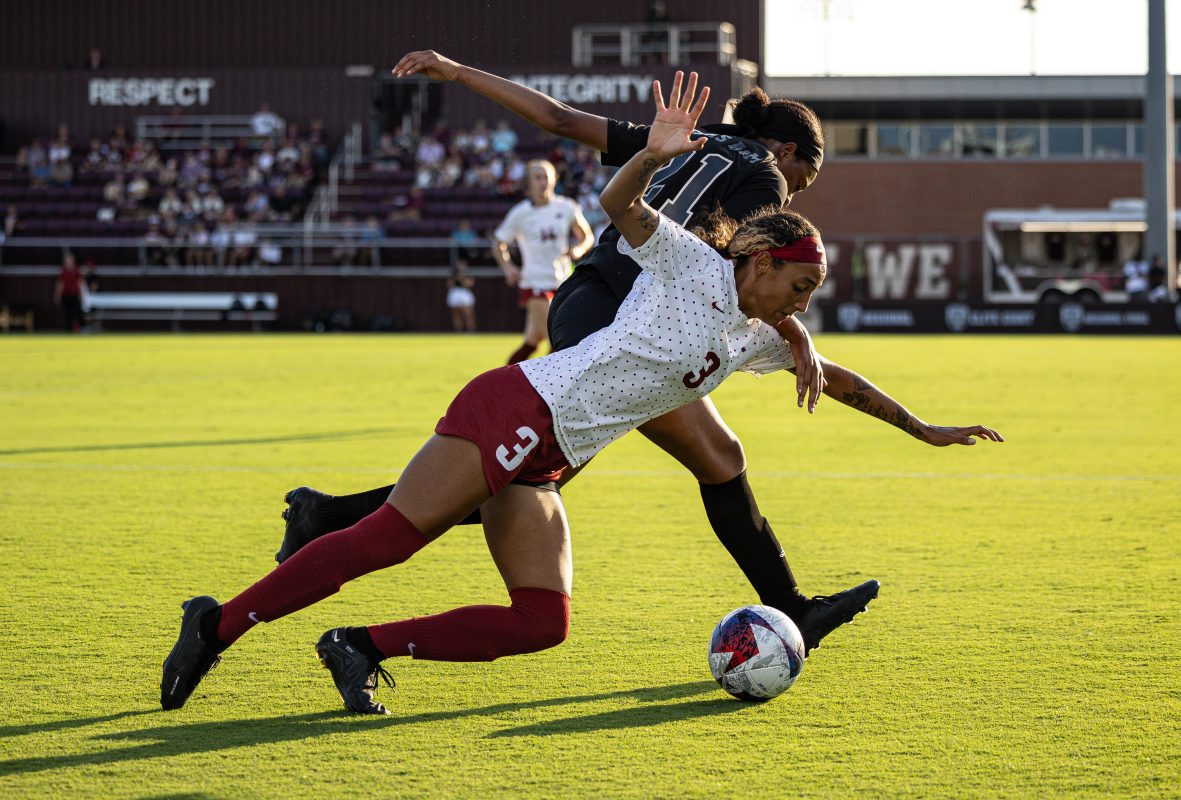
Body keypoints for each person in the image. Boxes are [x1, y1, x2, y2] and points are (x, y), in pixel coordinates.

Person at [161, 77, 1001, 716]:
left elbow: (839, 379)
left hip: (551, 454)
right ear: (759, 258)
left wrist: (919, 425)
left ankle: (357, 645)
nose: (803, 307)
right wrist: (653, 152)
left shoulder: (755, 336)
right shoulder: (689, 265)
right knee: (390, 540)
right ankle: (220, 624)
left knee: (543, 623)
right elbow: (616, 202)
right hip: (518, 407)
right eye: (801, 287)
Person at [492, 160, 595, 364]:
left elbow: (587, 237)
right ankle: (545, 389)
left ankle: (507, 384)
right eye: (537, 177)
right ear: (529, 183)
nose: (542, 182)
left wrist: (577, 249)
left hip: (562, 282)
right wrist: (508, 267)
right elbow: (498, 242)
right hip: (535, 283)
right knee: (559, 341)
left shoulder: (566, 207)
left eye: (546, 176)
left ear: (554, 179)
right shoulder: (521, 212)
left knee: (532, 342)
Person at [53, 252, 86, 333]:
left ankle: (82, 329)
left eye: (70, 260)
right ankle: (68, 331)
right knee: (68, 314)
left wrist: (82, 295)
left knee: (78, 313)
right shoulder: (63, 272)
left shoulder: (77, 271)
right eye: (67, 261)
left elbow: (80, 283)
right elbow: (60, 284)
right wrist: (57, 295)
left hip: (75, 295)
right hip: (66, 296)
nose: (69, 262)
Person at [446, 258, 477, 333]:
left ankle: (471, 331)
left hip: (464, 292)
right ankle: (459, 332)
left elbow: (471, 284)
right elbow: (449, 284)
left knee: (468, 314)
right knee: (456, 314)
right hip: (455, 292)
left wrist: (463, 280)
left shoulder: (468, 273)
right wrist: (456, 278)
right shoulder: (454, 274)